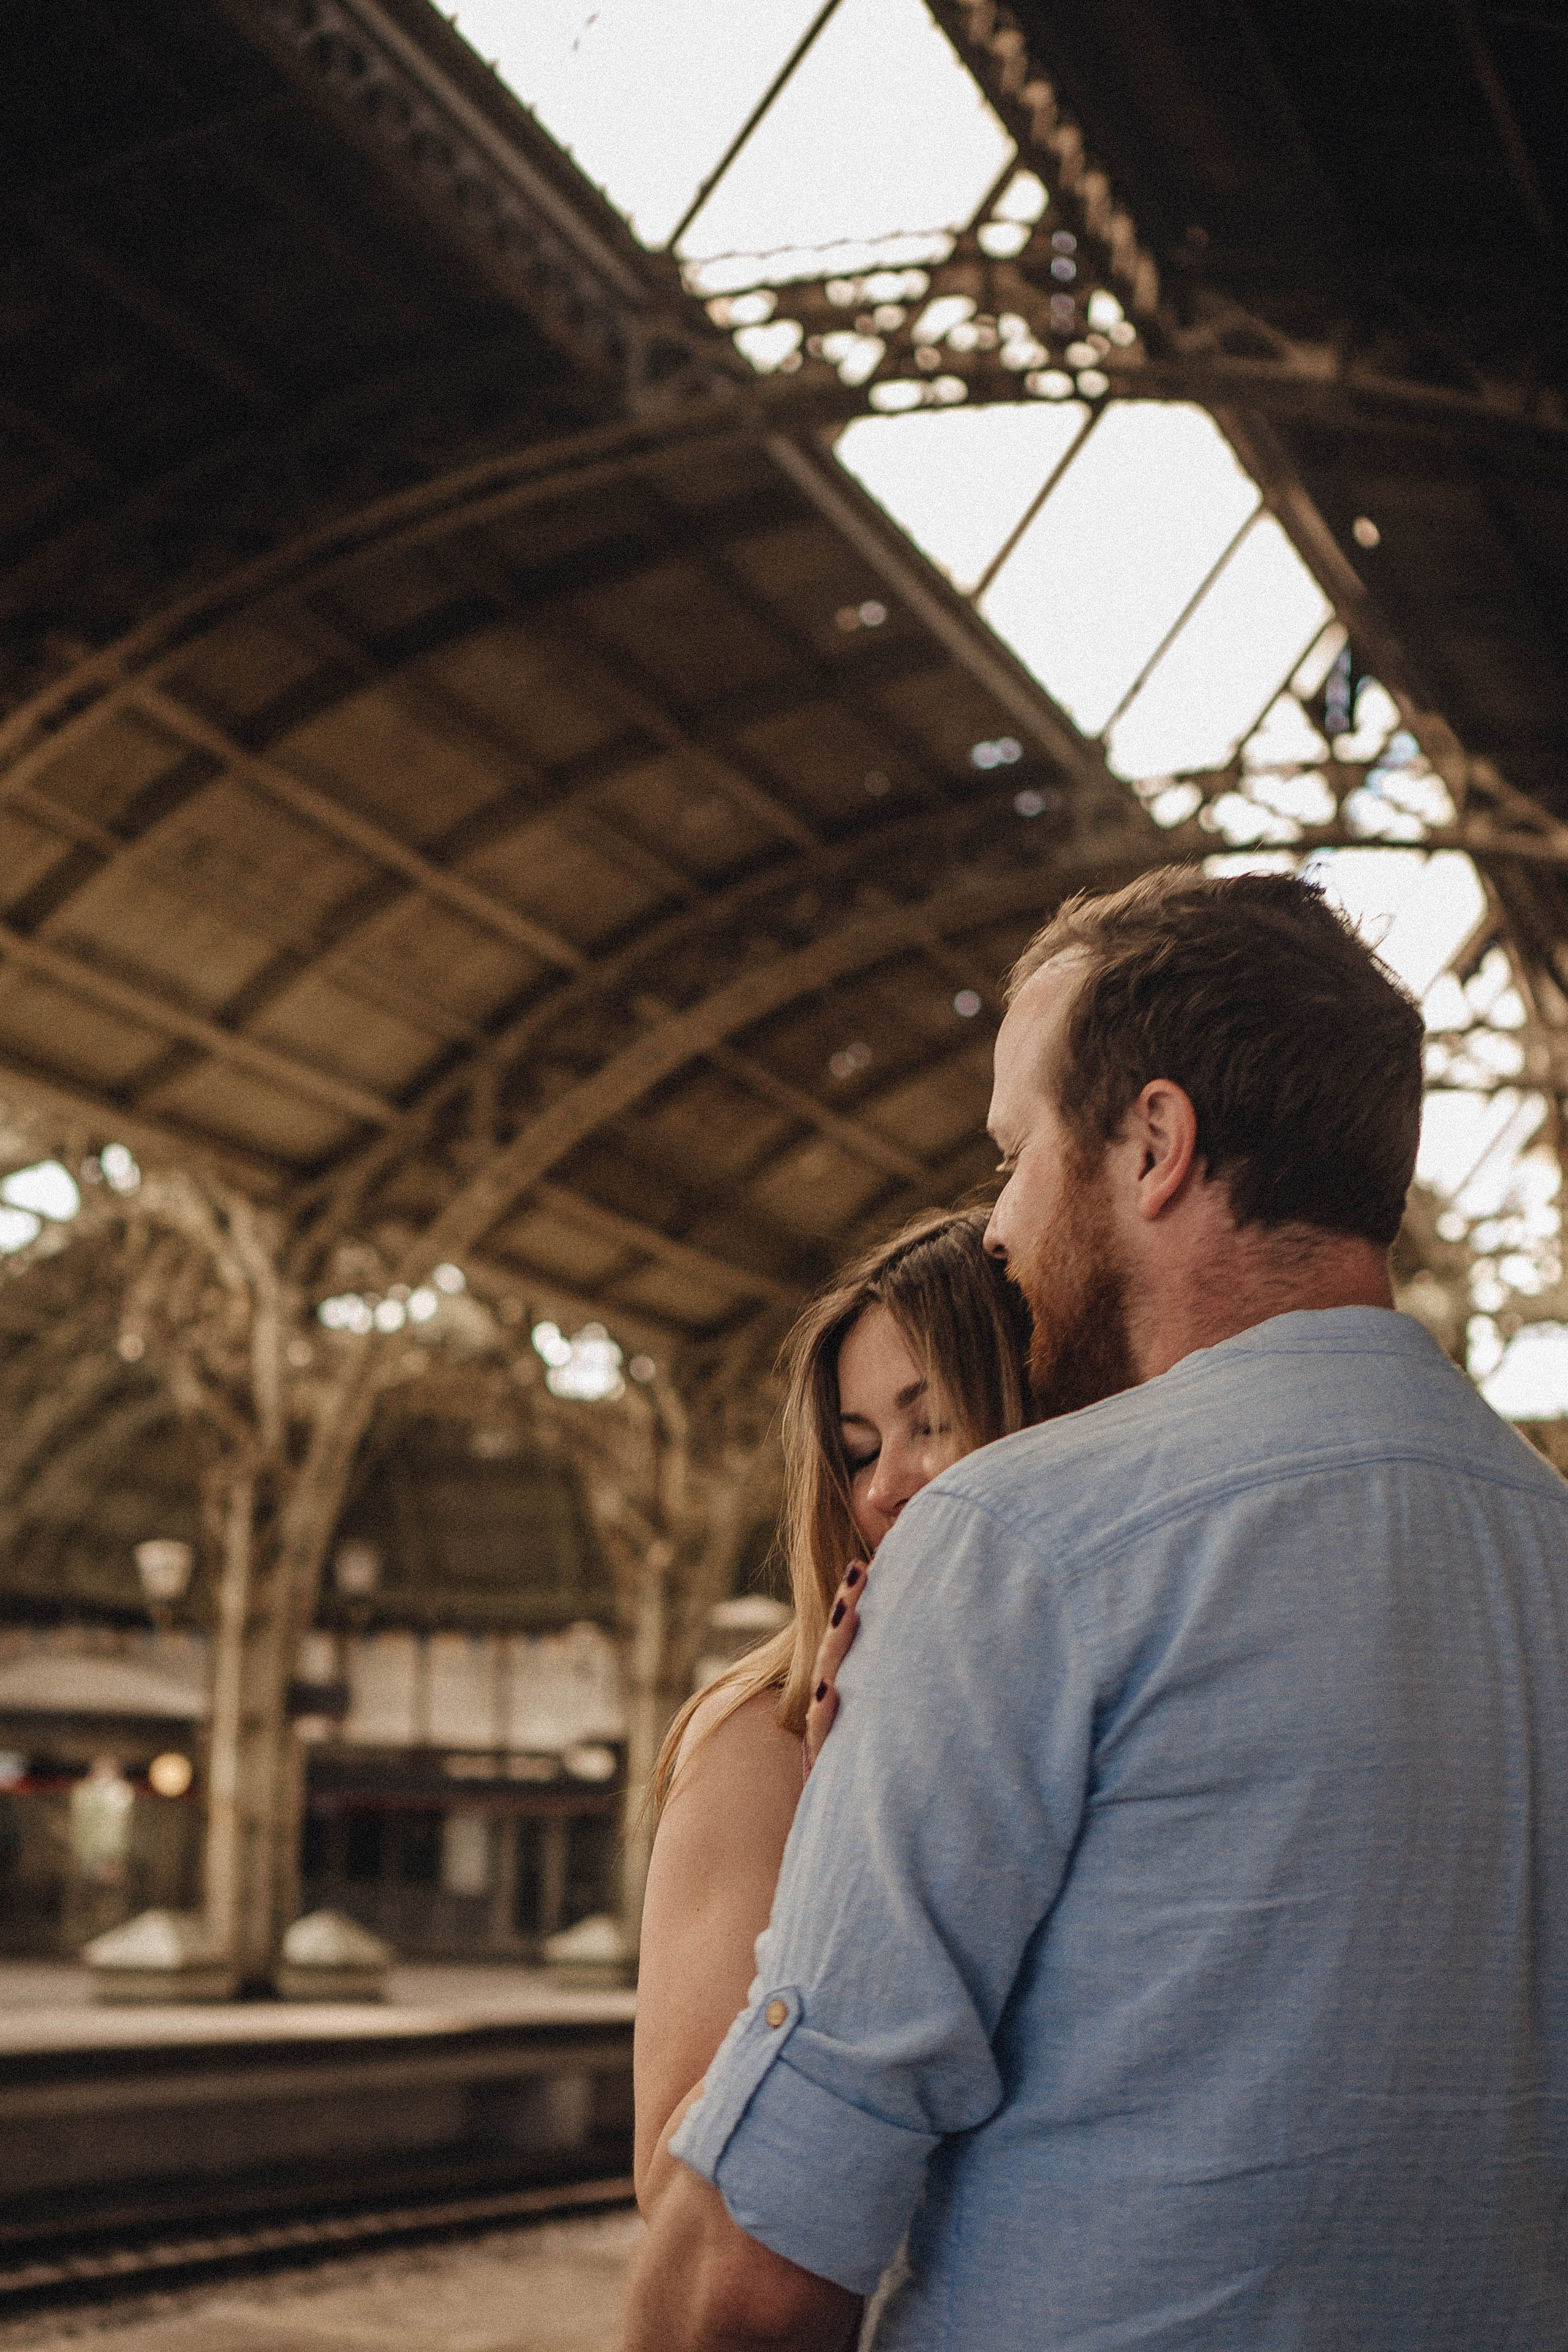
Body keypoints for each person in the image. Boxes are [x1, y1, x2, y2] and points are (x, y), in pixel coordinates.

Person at [620, 866, 1568, 2352]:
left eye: (1014, 1155)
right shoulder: (1546, 1548)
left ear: (1151, 1143)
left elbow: (749, 2275)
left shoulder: (1024, 1546)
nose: (995, 1225)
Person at [635, 1208, 1034, 2220]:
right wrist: (855, 1815)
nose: (888, 1484)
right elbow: (679, 2186)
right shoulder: (756, 1742)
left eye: (931, 1422)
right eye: (859, 1451)